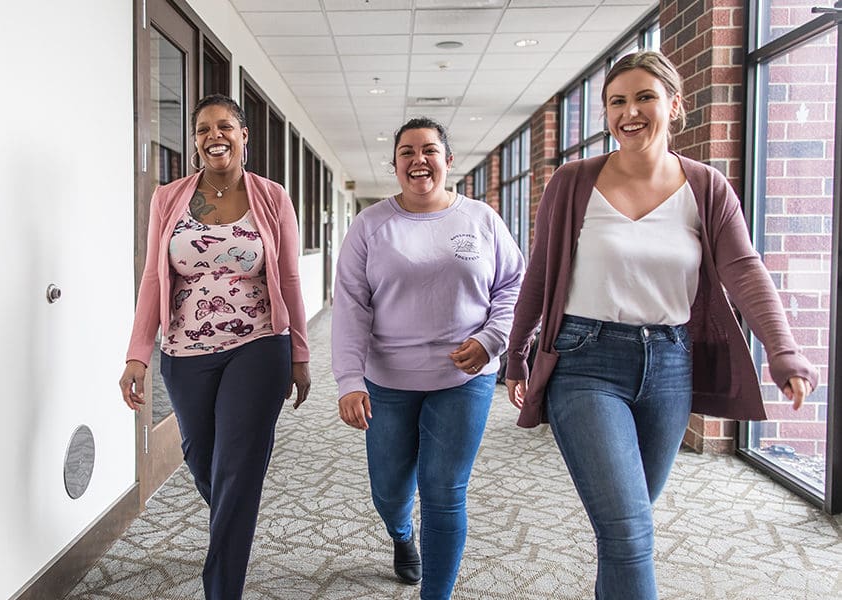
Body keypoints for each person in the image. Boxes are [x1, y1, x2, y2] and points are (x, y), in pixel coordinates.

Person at [505, 51, 818, 600]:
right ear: (606, 113)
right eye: (617, 101)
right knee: (630, 532)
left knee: (627, 525)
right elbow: (540, 275)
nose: (631, 111)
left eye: (645, 97)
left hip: (670, 365)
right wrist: (517, 353)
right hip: (585, 361)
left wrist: (783, 349)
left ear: (674, 105)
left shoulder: (706, 186)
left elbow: (744, 269)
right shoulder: (573, 182)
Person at [118, 93, 311, 600]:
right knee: (205, 461)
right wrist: (138, 352)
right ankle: (234, 517)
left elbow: (289, 275)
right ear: (196, 140)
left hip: (259, 345)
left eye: (224, 126)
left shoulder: (272, 196)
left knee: (238, 467)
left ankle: (222, 588)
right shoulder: (169, 198)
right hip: (184, 353)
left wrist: (301, 353)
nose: (213, 136)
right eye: (203, 129)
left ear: (244, 135)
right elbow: (154, 280)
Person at [332, 117, 525, 600]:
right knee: (390, 490)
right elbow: (352, 306)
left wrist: (492, 338)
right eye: (407, 152)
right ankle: (401, 535)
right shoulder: (371, 225)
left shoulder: (481, 219)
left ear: (448, 160)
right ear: (395, 164)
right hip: (388, 380)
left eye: (429, 150)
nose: (419, 160)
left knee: (444, 491)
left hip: (466, 379)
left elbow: (513, 285)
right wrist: (349, 379)